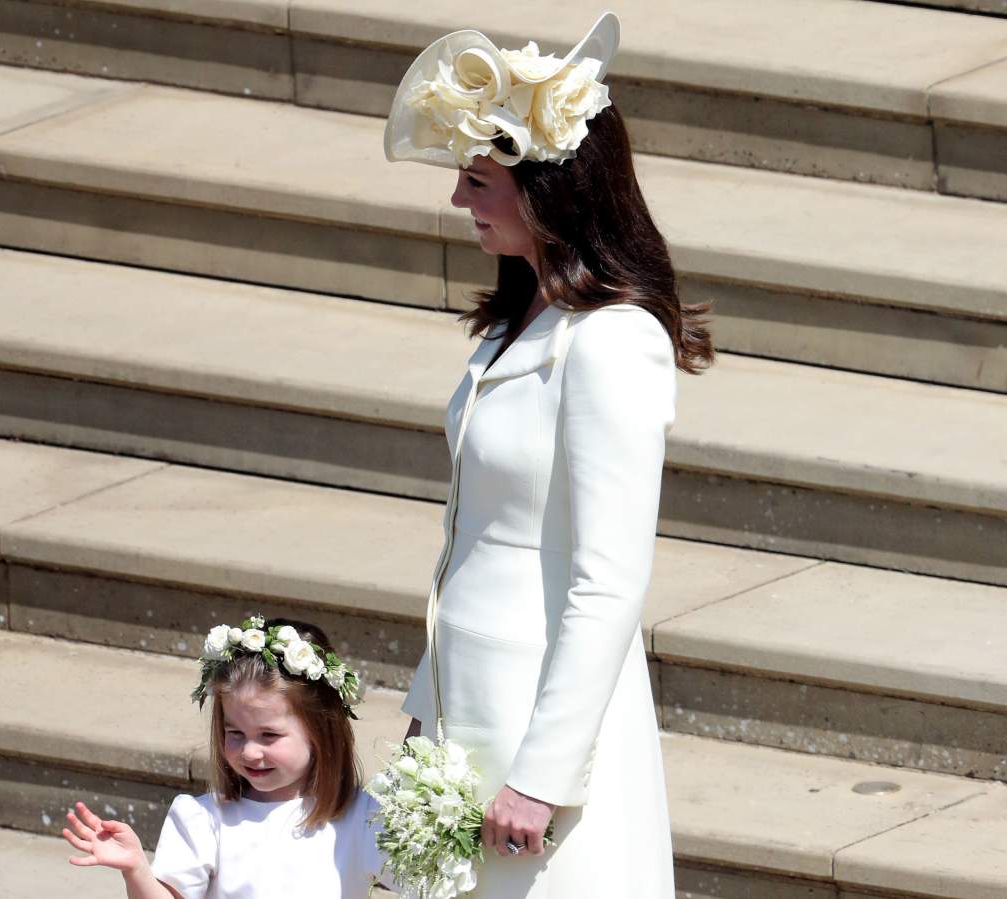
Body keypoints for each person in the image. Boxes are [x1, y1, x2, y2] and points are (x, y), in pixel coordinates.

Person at [384, 12, 714, 898]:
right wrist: (428, 707)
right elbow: (471, 540)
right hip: (469, 713)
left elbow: (608, 579)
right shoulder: (519, 319)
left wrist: (543, 773)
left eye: (480, 178)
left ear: (552, 190)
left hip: (543, 734)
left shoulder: (610, 344)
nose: (460, 200)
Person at [62, 615, 387, 899]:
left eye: (269, 735)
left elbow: (424, 879)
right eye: (235, 734)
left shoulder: (362, 817)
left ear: (320, 731)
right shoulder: (204, 820)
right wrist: (136, 870)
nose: (249, 751)